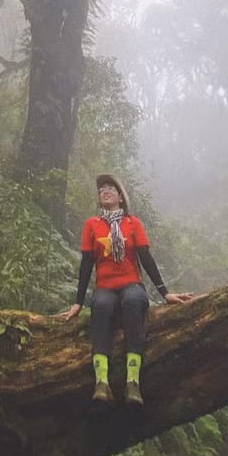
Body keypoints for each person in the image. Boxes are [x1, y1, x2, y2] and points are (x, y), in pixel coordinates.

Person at [60, 173, 192, 406]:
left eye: (110, 188)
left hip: (132, 284)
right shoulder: (92, 225)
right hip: (104, 288)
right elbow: (86, 265)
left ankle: (133, 383)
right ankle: (102, 383)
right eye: (101, 190)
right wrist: (78, 302)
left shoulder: (132, 223)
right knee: (100, 306)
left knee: (133, 301)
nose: (105, 191)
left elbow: (146, 258)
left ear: (121, 197)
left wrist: (165, 293)